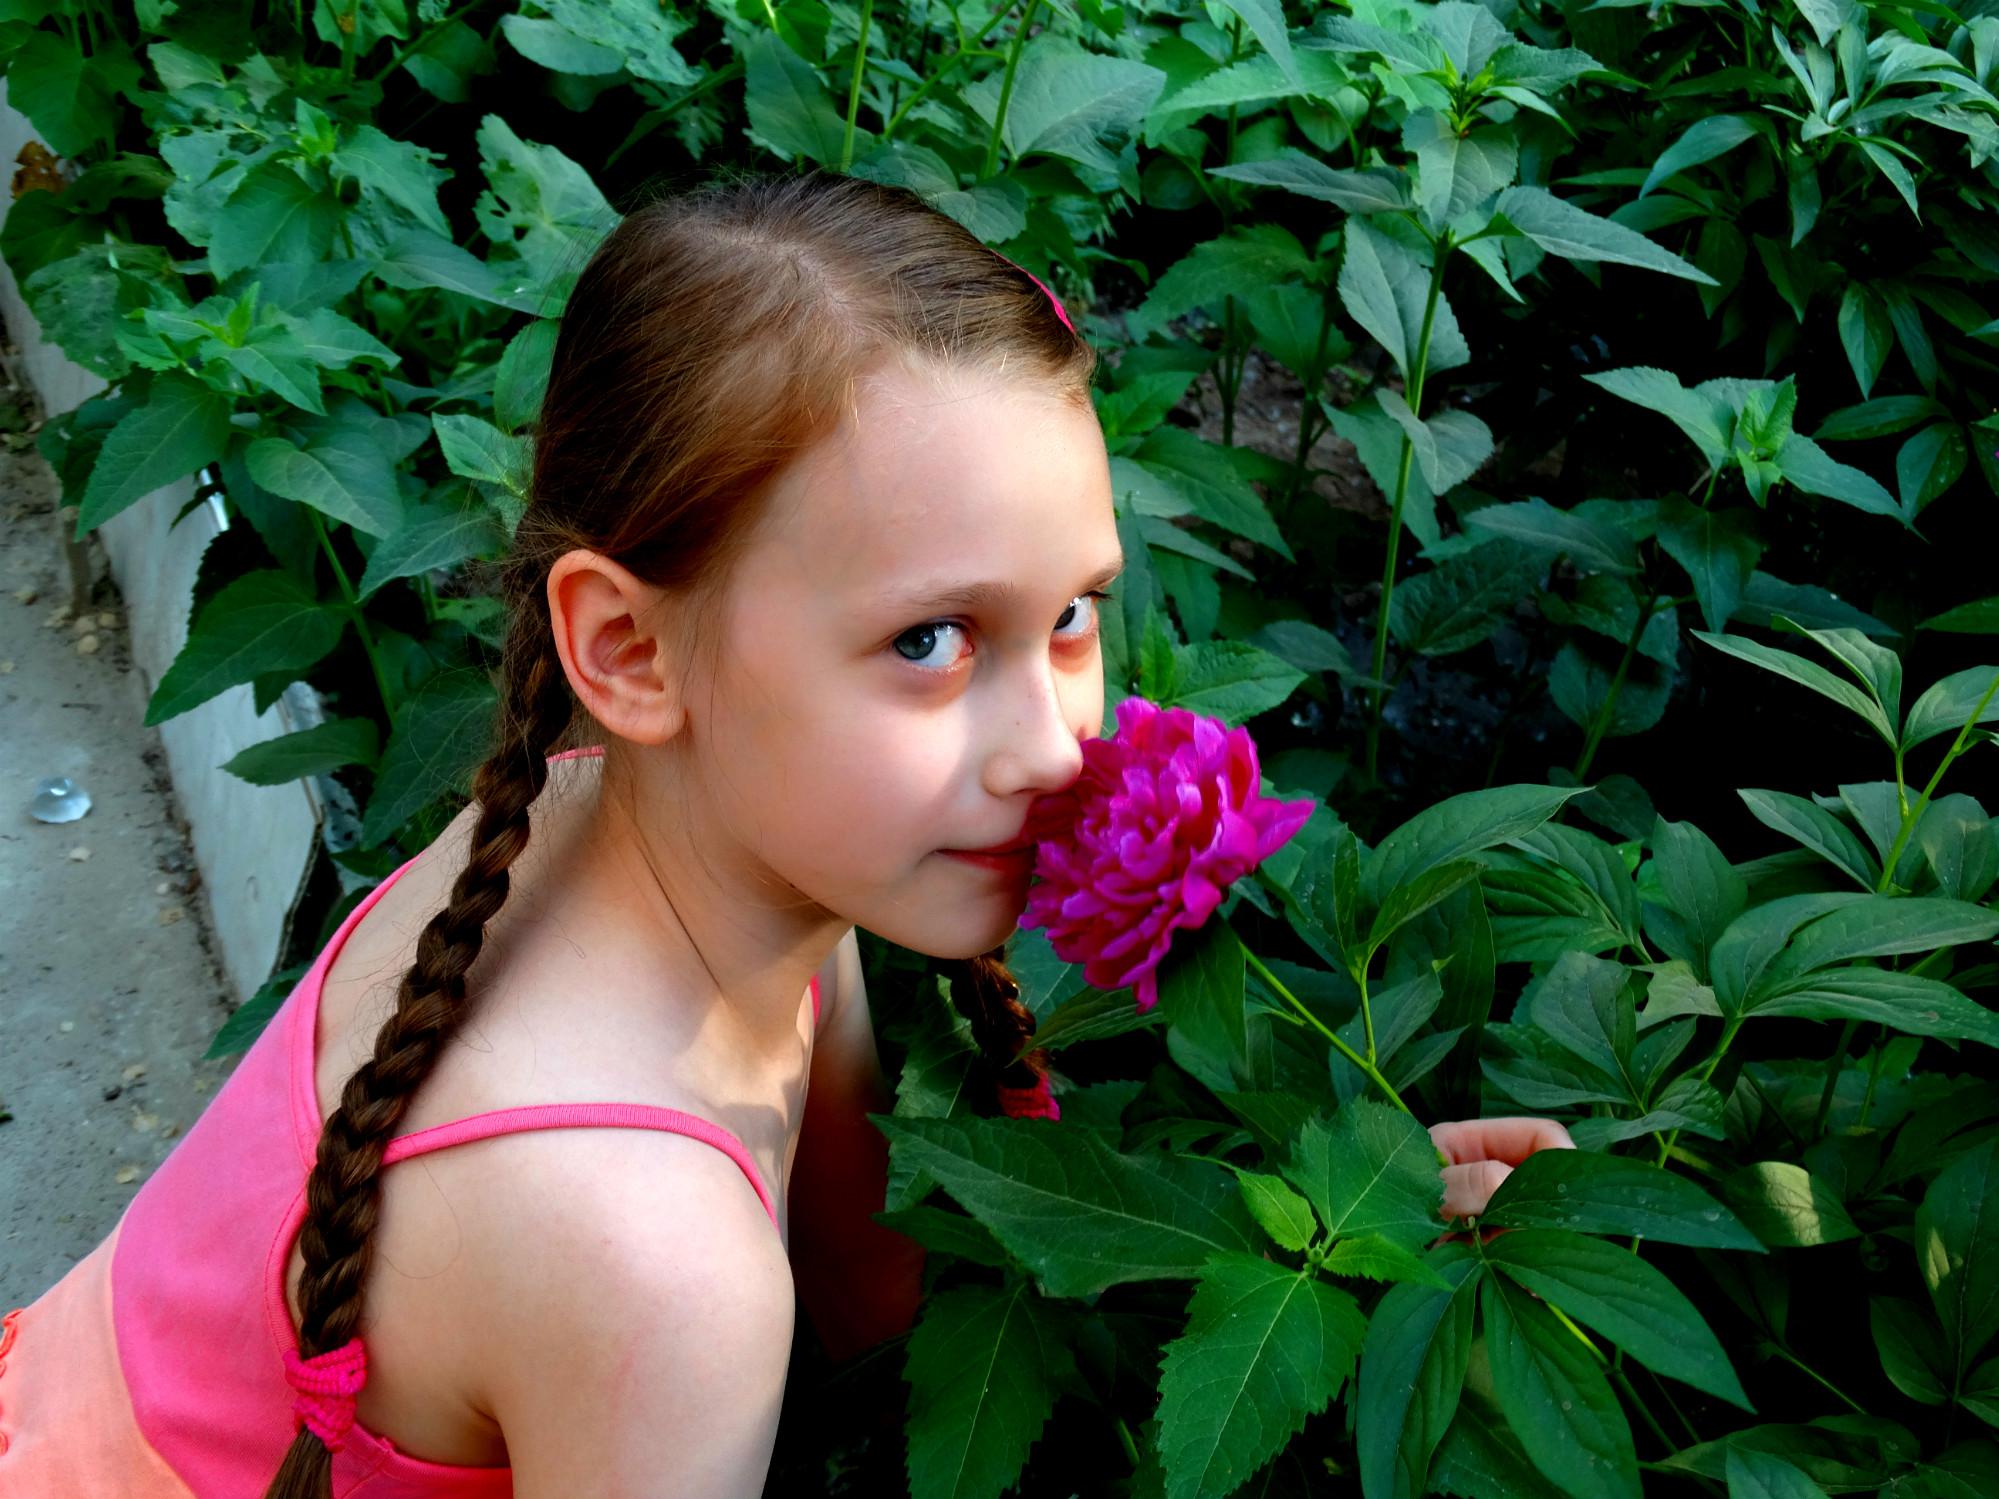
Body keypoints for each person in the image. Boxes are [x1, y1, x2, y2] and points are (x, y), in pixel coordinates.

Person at [0, 168, 1573, 1498]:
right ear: (628, 650)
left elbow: (884, 1305)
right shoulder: (652, 1263)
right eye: (930, 642)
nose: (1056, 748)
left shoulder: (643, 836)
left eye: (1073, 616)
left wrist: (1374, 1230)